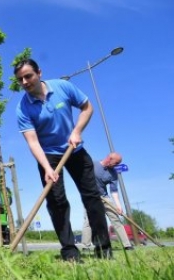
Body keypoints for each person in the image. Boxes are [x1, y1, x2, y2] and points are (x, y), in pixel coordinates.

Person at [14, 58, 112, 261]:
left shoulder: (63, 86)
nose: (24, 82)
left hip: (74, 148)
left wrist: (77, 131)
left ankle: (103, 248)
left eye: (28, 76)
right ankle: (69, 252)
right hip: (48, 155)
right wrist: (46, 168)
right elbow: (33, 142)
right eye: (20, 79)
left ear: (39, 73)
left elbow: (87, 107)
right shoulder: (22, 108)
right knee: (57, 202)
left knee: (92, 197)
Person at [81, 152, 134, 250]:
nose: (117, 165)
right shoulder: (93, 164)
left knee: (116, 220)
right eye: (116, 162)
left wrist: (118, 206)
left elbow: (114, 191)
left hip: (105, 198)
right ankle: (85, 246)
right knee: (88, 222)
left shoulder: (113, 173)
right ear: (109, 158)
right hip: (91, 197)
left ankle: (127, 245)